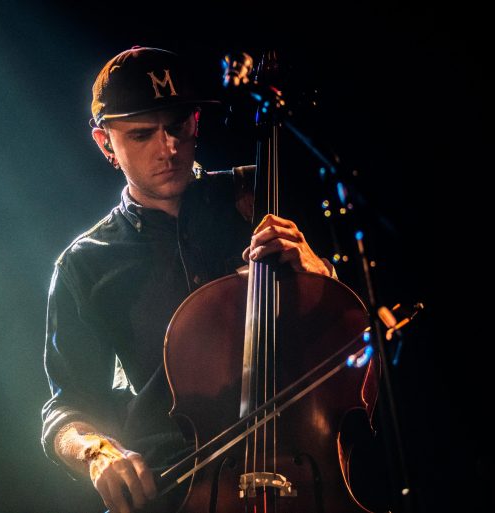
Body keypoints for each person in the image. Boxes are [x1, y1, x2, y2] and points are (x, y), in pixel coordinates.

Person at [41, 46, 335, 513]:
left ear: (195, 122)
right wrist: (98, 454)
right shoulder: (84, 264)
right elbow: (66, 409)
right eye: (141, 135)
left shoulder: (261, 197)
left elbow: (365, 332)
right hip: (181, 490)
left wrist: (321, 275)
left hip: (303, 471)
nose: (168, 148)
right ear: (105, 144)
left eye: (178, 126)